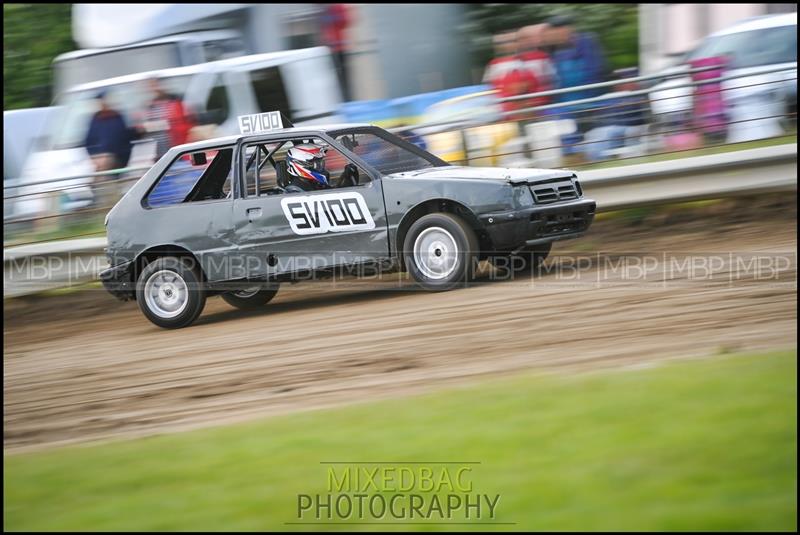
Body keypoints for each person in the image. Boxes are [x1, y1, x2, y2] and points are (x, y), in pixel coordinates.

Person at [140, 78, 194, 160]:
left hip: (178, 143)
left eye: (155, 85)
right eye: (151, 86)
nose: (154, 89)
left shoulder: (176, 100)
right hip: (161, 147)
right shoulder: (151, 105)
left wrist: (158, 125)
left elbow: (179, 121)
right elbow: (147, 127)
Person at [84, 90, 135, 171]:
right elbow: (89, 142)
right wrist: (96, 158)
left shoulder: (117, 117)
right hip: (100, 163)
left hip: (118, 162)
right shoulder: (96, 119)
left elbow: (126, 138)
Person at [517, 24, 557, 108]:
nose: (526, 41)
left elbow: (552, 79)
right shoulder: (515, 60)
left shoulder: (544, 57)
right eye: (523, 38)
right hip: (525, 104)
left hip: (544, 101)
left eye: (529, 38)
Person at [319, 3, 352, 101]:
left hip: (339, 48)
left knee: (343, 78)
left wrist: (334, 16)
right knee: (332, 79)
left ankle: (345, 99)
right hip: (328, 49)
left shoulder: (338, 7)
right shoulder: (324, 9)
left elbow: (346, 21)